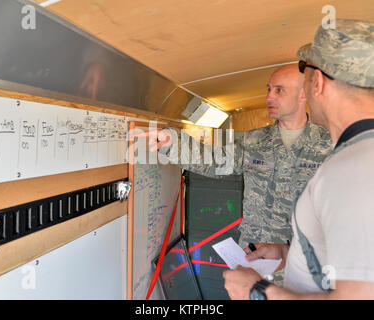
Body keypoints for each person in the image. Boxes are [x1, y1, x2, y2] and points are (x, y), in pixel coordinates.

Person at [139, 64, 332, 286]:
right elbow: (215, 161)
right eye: (268, 89)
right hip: (254, 259)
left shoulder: (330, 144)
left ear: (303, 94)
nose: (269, 96)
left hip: (307, 264)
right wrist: (173, 143)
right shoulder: (254, 141)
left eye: (279, 90)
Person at [223, 18, 374, 300]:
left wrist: (255, 292)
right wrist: (286, 253)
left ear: (316, 82)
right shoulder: (357, 156)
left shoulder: (354, 169)